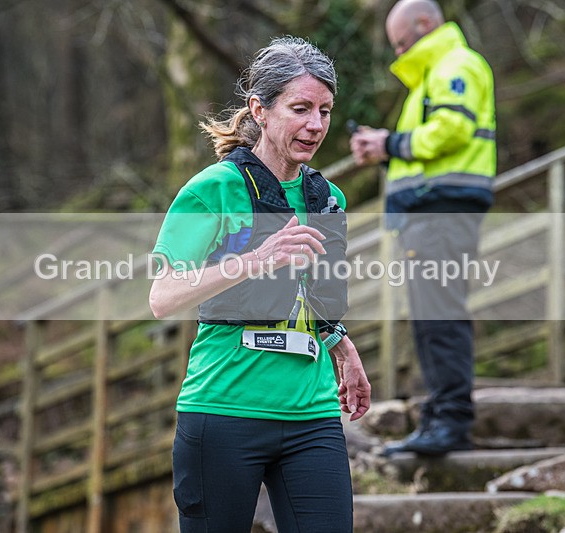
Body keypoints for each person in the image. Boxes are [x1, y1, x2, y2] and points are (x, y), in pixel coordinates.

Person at [149, 36, 371, 533]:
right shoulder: (215, 188)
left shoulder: (326, 197)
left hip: (310, 414)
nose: (315, 125)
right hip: (223, 411)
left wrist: (338, 341)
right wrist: (254, 259)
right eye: (300, 109)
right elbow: (163, 298)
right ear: (260, 109)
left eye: (325, 111)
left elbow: (307, 293)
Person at [349, 0, 495, 456]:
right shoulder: (435, 76)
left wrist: (389, 143)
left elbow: (452, 130)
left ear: (426, 25)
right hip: (428, 215)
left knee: (440, 316)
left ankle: (450, 420)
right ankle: (440, 417)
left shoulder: (456, 66)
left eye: (401, 43)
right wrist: (387, 147)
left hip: (442, 212)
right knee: (431, 316)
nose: (398, 53)